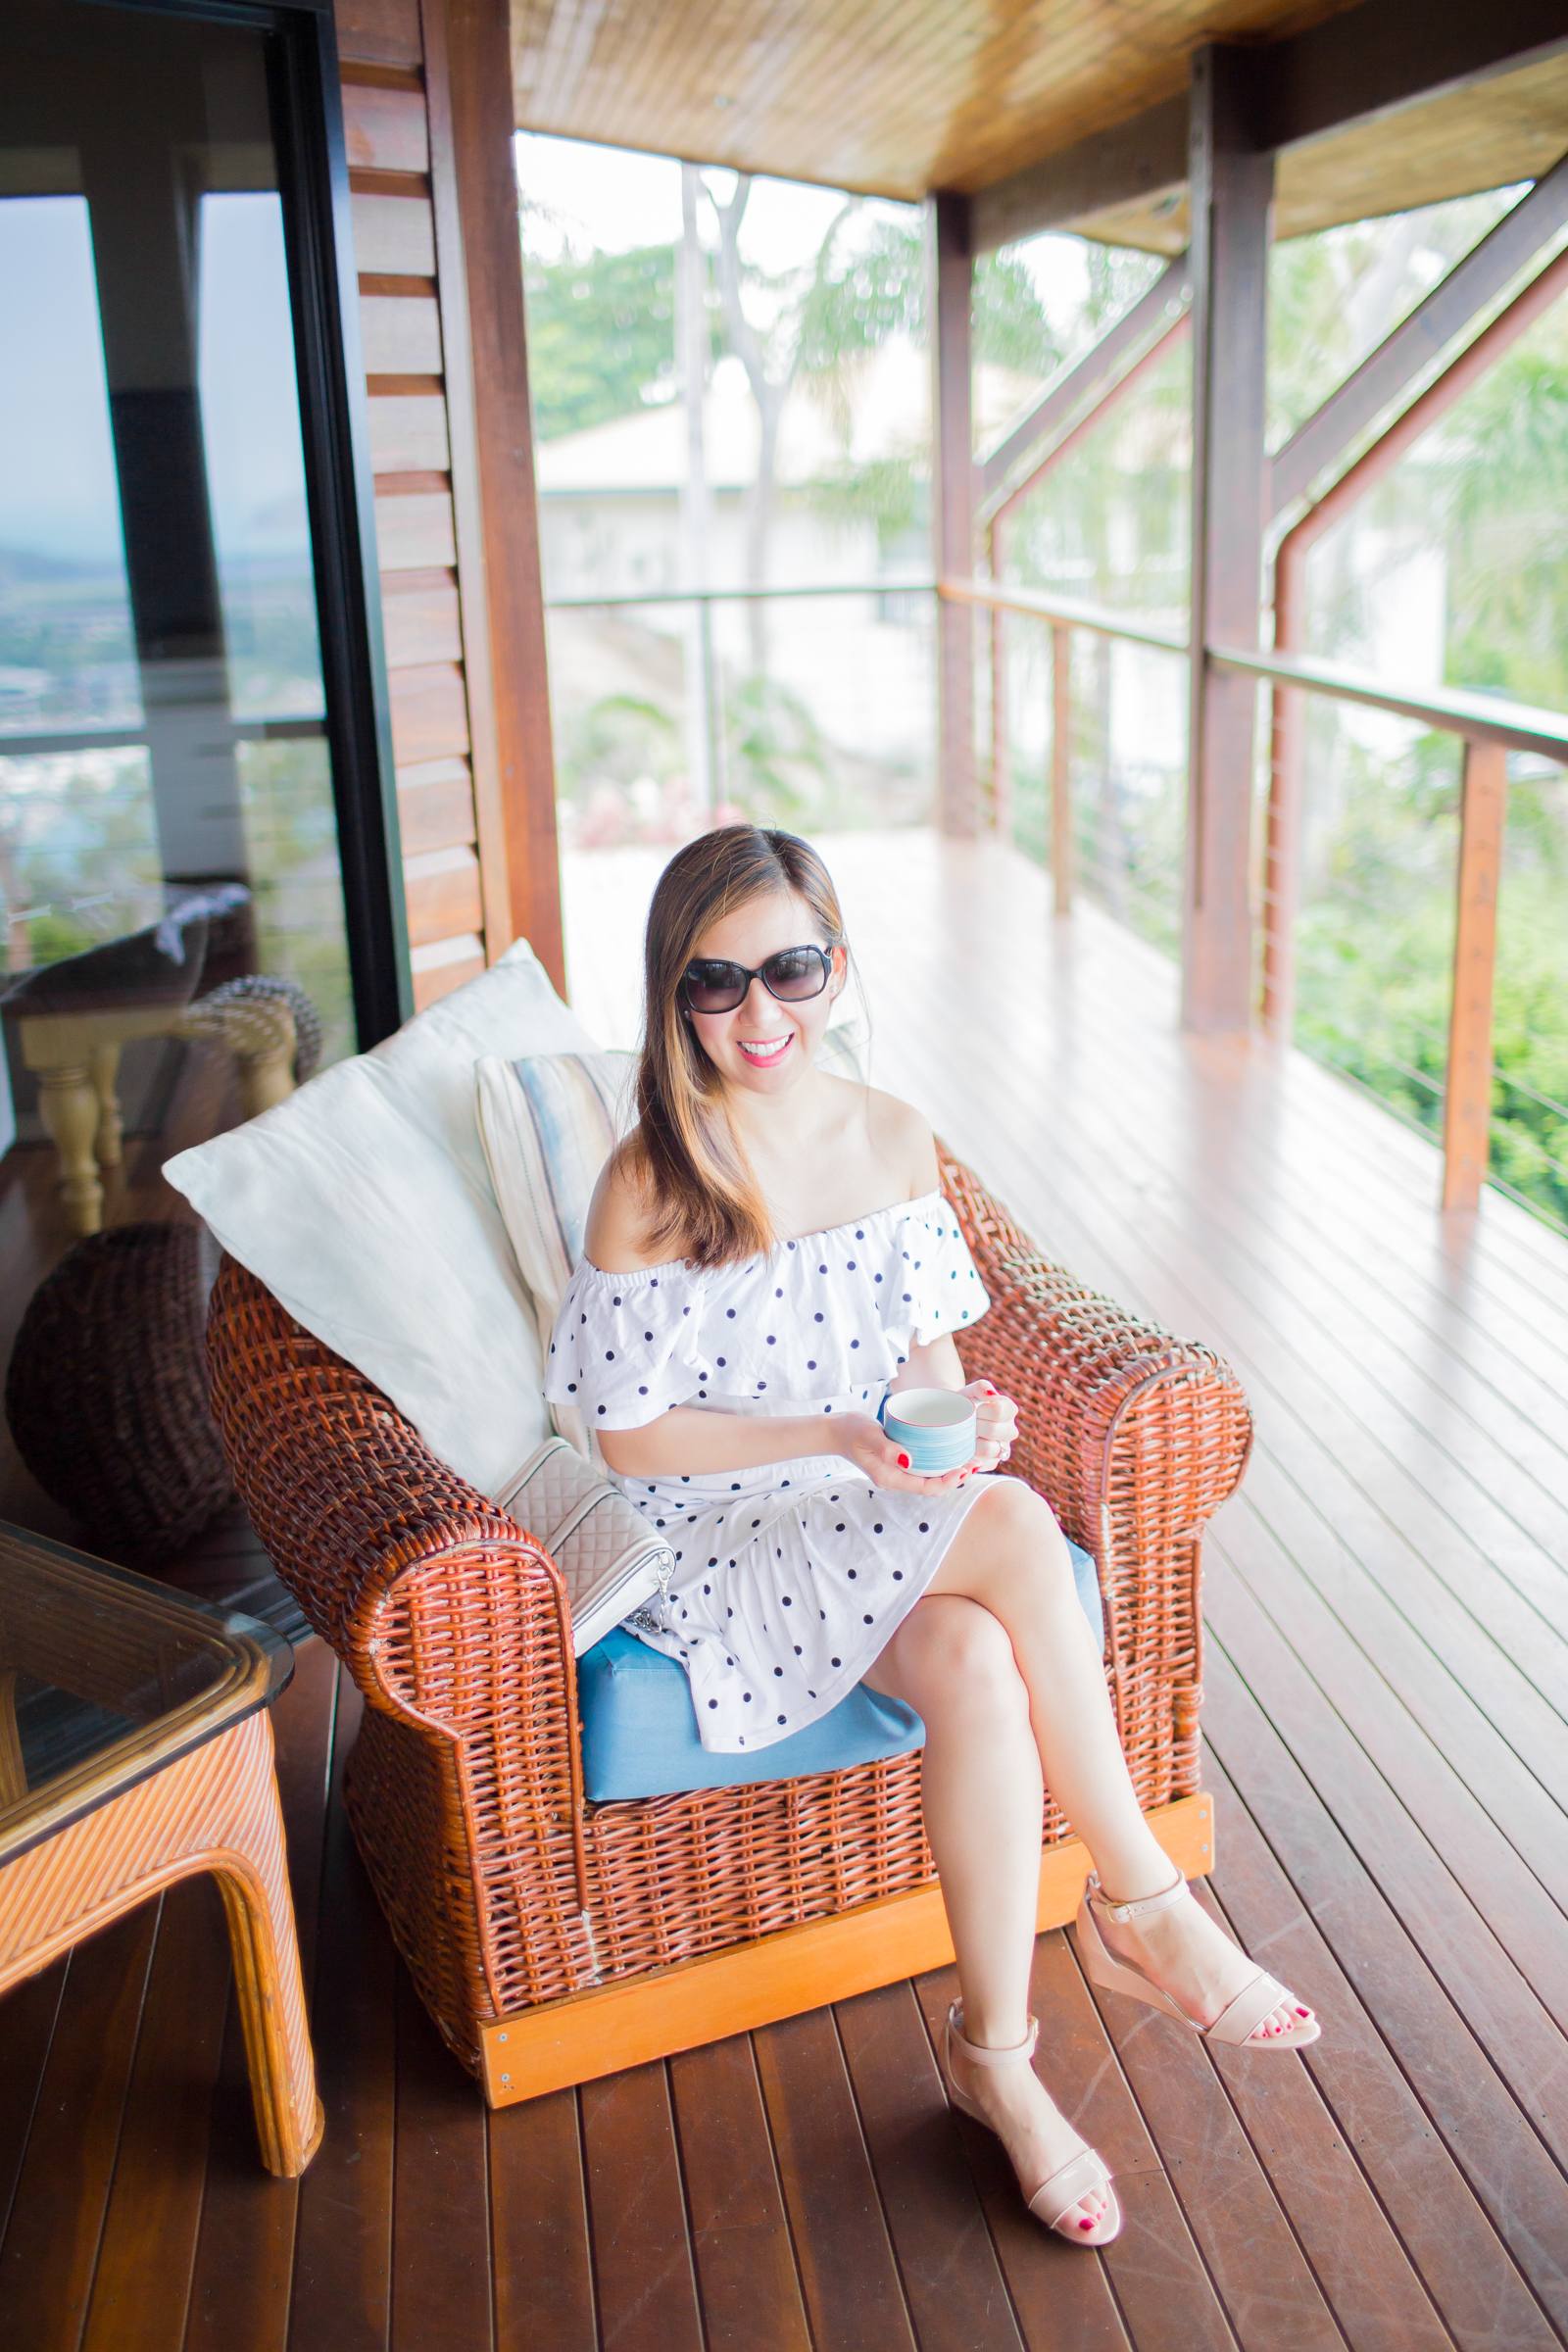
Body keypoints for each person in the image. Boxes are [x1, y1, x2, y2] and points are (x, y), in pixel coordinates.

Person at [545, 825, 1318, 2248]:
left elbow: (929, 1365)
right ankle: (1145, 1900)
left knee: (971, 1654)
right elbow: (628, 1439)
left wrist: (941, 1433)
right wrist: (842, 1441)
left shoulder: (893, 1136)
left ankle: (998, 2065)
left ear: (836, 965)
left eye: (790, 969)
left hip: (862, 1500)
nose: (760, 1016)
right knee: (1016, 1533)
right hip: (721, 1532)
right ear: (672, 995)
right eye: (718, 984)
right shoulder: (651, 1179)